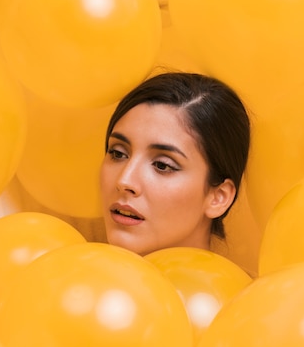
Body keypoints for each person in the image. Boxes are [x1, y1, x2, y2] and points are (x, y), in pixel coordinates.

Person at [100, 71, 251, 256]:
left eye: (162, 165)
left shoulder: (257, 286)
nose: (124, 181)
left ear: (218, 197)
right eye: (118, 153)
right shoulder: (65, 276)